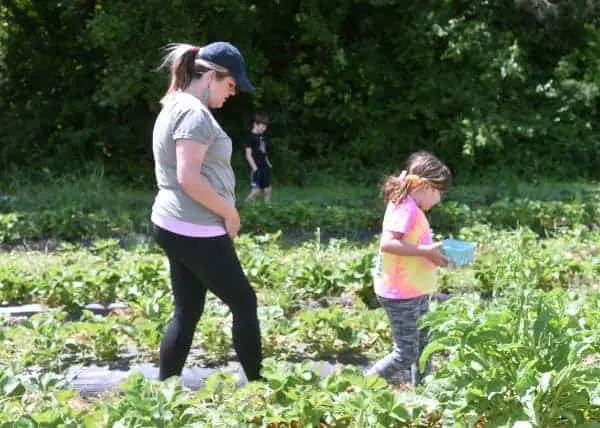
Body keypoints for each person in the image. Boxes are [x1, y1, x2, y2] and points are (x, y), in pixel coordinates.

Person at [150, 41, 263, 382]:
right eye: (230, 85)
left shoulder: (175, 103)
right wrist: (229, 212)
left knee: (187, 311)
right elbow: (188, 177)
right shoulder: (194, 113)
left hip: (173, 222)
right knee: (244, 303)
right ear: (212, 75)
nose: (232, 93)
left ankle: (164, 395)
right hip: (194, 226)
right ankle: (261, 390)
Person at [366, 151, 452, 387]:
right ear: (424, 186)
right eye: (439, 193)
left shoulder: (410, 204)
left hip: (415, 289)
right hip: (400, 294)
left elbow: (412, 243)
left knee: (426, 345)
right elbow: (388, 244)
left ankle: (424, 393)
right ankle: (366, 384)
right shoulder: (406, 208)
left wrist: (432, 253)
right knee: (406, 353)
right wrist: (426, 252)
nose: (439, 200)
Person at [244, 112, 272, 203]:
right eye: (262, 126)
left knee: (268, 189)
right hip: (256, 168)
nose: (264, 129)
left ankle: (267, 208)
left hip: (265, 167)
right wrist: (254, 168)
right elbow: (248, 154)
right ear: (255, 124)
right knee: (256, 190)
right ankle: (245, 206)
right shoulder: (250, 137)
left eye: (265, 127)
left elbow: (264, 151)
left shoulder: (262, 136)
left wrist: (268, 162)